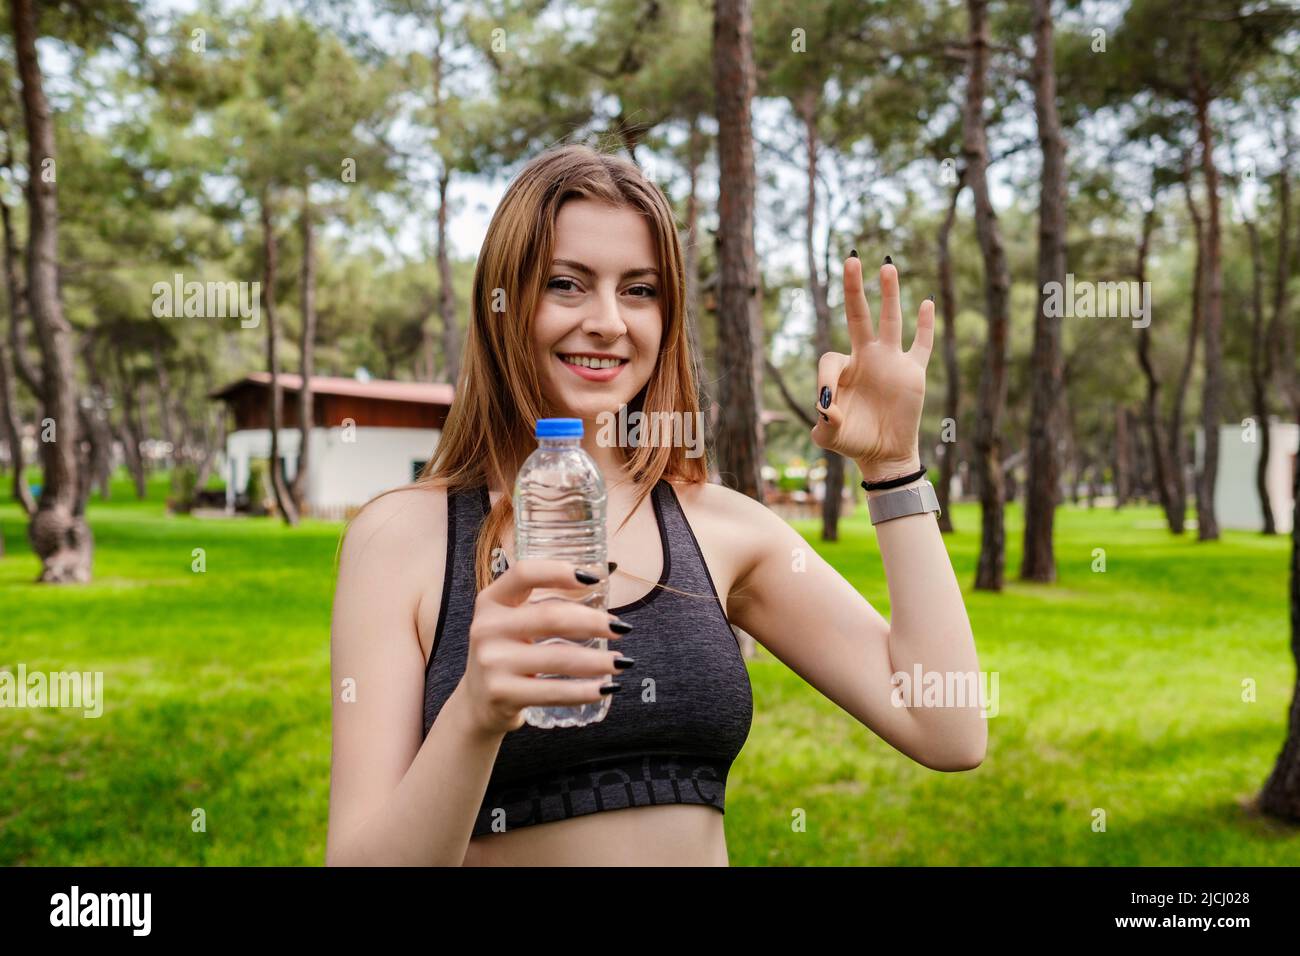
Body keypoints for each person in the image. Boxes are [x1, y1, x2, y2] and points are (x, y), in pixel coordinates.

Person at [325, 143, 985, 867]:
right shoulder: (403, 538)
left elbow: (947, 728)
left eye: (640, 290)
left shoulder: (724, 527)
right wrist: (475, 717)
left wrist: (893, 469)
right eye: (566, 284)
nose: (609, 321)